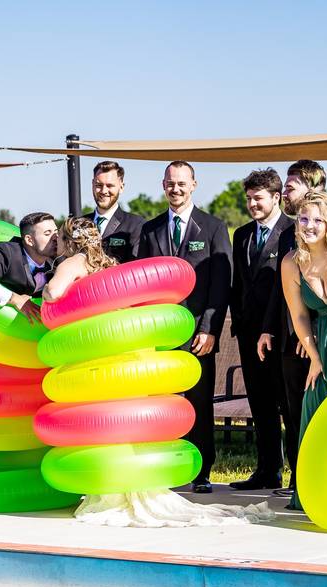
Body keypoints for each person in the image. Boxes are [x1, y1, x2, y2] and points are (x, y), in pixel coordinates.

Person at [45, 217, 271, 527]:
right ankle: (126, 480)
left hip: (95, 358)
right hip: (123, 355)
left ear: (69, 240)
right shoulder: (109, 264)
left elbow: (54, 292)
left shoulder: (74, 262)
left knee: (102, 424)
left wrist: (45, 294)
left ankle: (108, 484)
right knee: (121, 423)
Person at [137, 161, 232, 493]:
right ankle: (164, 467)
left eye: (181, 183)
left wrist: (209, 328)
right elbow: (142, 282)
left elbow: (221, 283)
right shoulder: (149, 231)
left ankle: (202, 471)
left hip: (197, 334)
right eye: (170, 183)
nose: (175, 189)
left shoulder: (214, 227)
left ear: (194, 185)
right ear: (163, 185)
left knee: (199, 401)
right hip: (160, 334)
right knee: (161, 402)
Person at [281, 191, 327, 511]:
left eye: (317, 220)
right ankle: (318, 493)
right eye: (303, 218)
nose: (309, 225)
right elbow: (299, 315)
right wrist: (314, 356)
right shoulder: (290, 263)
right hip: (323, 342)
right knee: (317, 410)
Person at [257, 160, 323, 497]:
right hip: (286, 338)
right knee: (291, 412)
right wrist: (269, 328)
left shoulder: (326, 231)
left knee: (311, 411)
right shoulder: (287, 235)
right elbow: (279, 291)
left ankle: (315, 478)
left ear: (312, 187)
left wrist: (308, 334)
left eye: (292, 184)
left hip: (309, 340)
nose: (285, 190)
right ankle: (298, 479)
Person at [228, 169, 289, 491]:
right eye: (249, 198)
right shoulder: (241, 235)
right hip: (249, 334)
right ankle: (267, 471)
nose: (252, 204)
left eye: (258, 198)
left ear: (276, 197)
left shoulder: (291, 231)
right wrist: (239, 320)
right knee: (260, 404)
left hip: (281, 334)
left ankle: (299, 473)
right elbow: (239, 283)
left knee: (288, 406)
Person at [0, 211, 59, 321]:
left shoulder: (59, 258)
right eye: (47, 234)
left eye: (56, 232)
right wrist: (14, 299)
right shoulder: (7, 253)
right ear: (30, 240)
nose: (55, 238)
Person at [81, 161, 143, 264]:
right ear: (92, 184)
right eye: (98, 185)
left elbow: (135, 267)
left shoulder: (136, 225)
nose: (103, 191)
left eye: (109, 186)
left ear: (121, 187)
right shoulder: (78, 224)